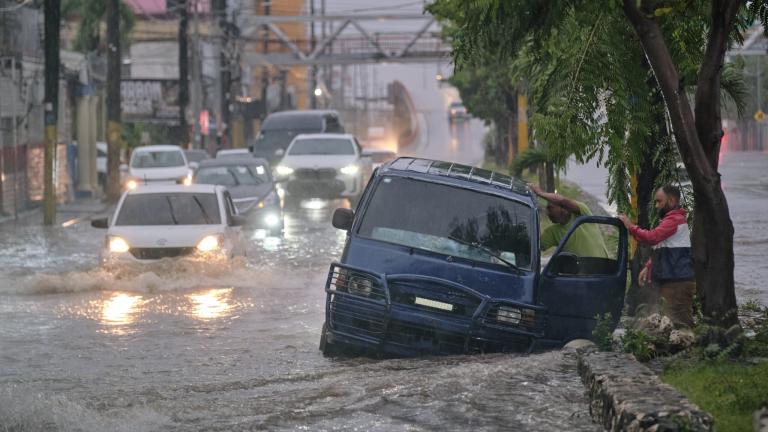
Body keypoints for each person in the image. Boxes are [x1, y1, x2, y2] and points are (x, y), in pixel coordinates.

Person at [618, 185, 695, 328]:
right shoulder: (672, 220)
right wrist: (648, 267)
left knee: (680, 324)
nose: (656, 206)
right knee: (671, 323)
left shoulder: (674, 220)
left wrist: (630, 226)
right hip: (673, 281)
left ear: (671, 200)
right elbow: (663, 247)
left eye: (659, 201)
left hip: (677, 282)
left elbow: (652, 238)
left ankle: (688, 348)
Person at [529, 183, 609, 258]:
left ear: (562, 207)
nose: (548, 213)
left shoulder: (582, 213)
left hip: (605, 269)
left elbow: (563, 201)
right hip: (581, 272)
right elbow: (534, 247)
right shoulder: (552, 232)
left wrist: (540, 193)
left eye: (550, 208)